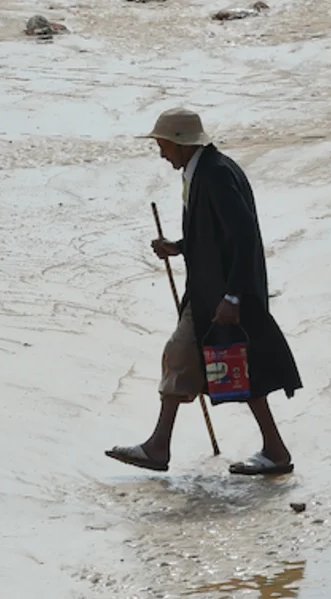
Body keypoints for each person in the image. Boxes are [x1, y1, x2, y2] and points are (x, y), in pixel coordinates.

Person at [106, 108, 302, 476]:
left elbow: (244, 236)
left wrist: (232, 297)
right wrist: (180, 246)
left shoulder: (214, 175)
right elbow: (219, 235)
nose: (161, 154)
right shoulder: (207, 170)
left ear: (180, 143)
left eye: (163, 145)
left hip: (222, 297)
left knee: (229, 368)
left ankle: (162, 448)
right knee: (216, 367)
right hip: (212, 293)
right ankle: (162, 446)